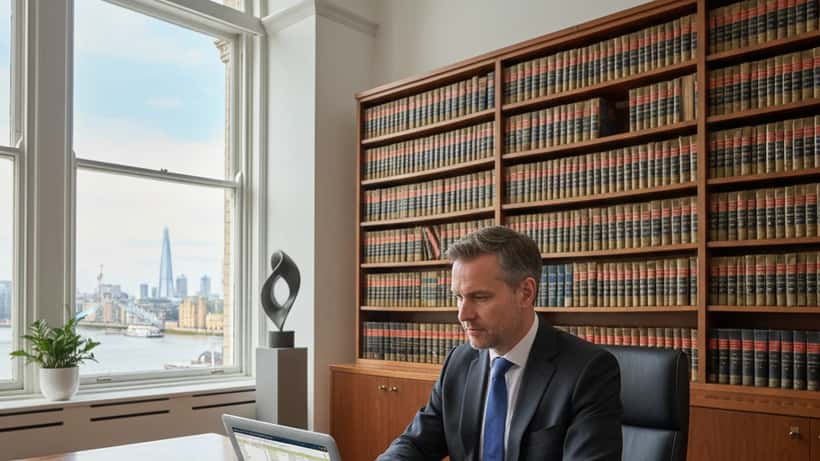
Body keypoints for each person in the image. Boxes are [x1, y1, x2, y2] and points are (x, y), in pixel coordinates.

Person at [378, 226, 623, 461]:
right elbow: (416, 444)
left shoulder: (587, 371)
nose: (463, 315)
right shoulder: (459, 362)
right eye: (459, 297)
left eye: (479, 297)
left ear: (526, 293)